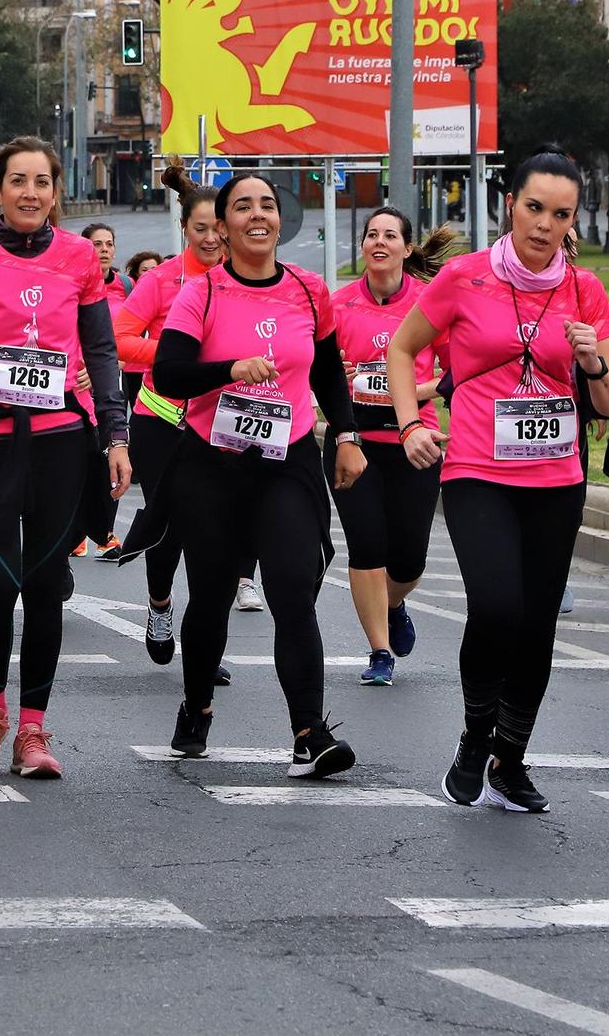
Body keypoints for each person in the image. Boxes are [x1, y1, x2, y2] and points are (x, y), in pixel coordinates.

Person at [388, 153, 609, 814]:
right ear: (510, 206)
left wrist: (593, 362)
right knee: (497, 608)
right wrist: (410, 425)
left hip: (557, 477)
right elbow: (402, 349)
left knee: (538, 623)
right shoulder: (465, 278)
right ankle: (475, 737)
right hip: (478, 471)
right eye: (534, 208)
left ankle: (510, 759)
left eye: (561, 214)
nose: (545, 224)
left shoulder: (584, 289)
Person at [144, 171, 362, 775]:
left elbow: (327, 373)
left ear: (280, 219)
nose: (258, 215)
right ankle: (196, 706)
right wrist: (230, 369)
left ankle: (309, 732)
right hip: (213, 465)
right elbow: (169, 374)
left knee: (293, 590)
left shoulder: (309, 290)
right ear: (223, 225)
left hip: (286, 460)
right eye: (243, 206)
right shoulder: (202, 293)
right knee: (211, 596)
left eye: (268, 204)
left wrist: (346, 435)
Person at [0, 138, 130, 781]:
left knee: (48, 585)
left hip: (60, 440)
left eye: (42, 182)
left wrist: (115, 435)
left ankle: (33, 727)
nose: (30, 193)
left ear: (55, 191)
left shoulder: (78, 257)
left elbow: (101, 350)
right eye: (17, 181)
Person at [113, 165, 250, 677]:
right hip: (162, 420)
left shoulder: (245, 277)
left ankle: (205, 647)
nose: (212, 239)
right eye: (200, 229)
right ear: (184, 228)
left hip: (224, 423)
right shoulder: (162, 280)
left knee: (215, 535)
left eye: (218, 228)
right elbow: (120, 338)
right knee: (168, 528)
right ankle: (159, 604)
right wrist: (175, 356)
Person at [331, 210, 459, 685]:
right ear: (362, 247)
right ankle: (379, 651)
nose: (379, 242)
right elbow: (315, 370)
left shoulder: (430, 302)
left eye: (390, 235)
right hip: (354, 441)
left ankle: (393, 603)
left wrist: (409, 390)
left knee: (408, 559)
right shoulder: (339, 304)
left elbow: (457, 371)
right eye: (371, 235)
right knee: (366, 547)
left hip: (415, 441)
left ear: (407, 248)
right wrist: (339, 377)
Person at [74, 221, 131, 558]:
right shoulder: (72, 284)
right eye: (97, 244)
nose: (104, 250)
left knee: (112, 454)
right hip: (75, 386)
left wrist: (114, 365)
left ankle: (105, 532)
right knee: (80, 462)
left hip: (109, 387)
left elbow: (135, 336)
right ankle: (76, 531)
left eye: (109, 243)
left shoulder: (126, 286)